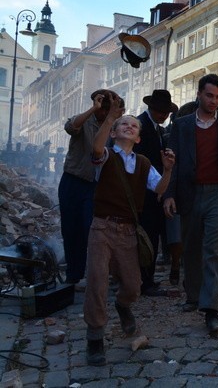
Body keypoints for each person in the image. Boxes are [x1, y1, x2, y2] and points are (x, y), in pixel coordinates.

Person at [84, 102, 175, 366]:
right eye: (123, 123)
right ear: (114, 133)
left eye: (133, 125)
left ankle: (123, 306)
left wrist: (168, 170)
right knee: (97, 282)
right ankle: (95, 337)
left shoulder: (144, 162)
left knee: (133, 286)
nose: (129, 126)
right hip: (102, 226)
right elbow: (96, 148)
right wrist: (110, 116)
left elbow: (159, 188)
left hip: (127, 231)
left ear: (138, 137)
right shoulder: (107, 155)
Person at [163, 74, 218, 335]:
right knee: (192, 246)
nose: (214, 101)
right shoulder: (182, 125)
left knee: (217, 250)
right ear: (199, 94)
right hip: (190, 191)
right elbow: (172, 164)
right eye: (210, 96)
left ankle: (211, 309)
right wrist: (169, 194)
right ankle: (194, 295)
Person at [59, 89, 123, 286]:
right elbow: (70, 127)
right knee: (71, 229)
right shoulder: (84, 120)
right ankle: (73, 274)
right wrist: (92, 109)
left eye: (107, 108)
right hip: (73, 180)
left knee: (92, 229)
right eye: (101, 107)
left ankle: (96, 274)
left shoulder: (115, 127)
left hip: (96, 186)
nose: (104, 112)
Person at [133, 90, 179, 297]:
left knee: (151, 237)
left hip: (154, 191)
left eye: (166, 112)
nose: (163, 115)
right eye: (160, 111)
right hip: (144, 192)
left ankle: (146, 278)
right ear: (151, 108)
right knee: (146, 238)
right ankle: (143, 280)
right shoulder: (141, 126)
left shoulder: (157, 129)